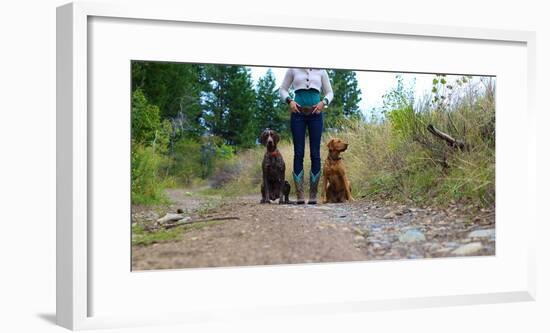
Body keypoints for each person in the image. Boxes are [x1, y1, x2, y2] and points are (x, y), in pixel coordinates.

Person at [279, 68, 333, 204]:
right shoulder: (293, 69)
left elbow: (330, 92)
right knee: (299, 153)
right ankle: (300, 195)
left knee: (315, 153)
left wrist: (324, 102)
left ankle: (313, 195)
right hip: (297, 114)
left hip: (316, 114)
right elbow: (283, 89)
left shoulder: (322, 70)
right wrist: (289, 101)